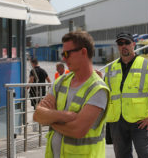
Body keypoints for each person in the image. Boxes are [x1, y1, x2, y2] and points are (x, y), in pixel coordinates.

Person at [33, 30, 110, 158]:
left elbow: (78, 130)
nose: (63, 58)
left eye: (67, 53)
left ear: (83, 52)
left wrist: (50, 118)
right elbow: (37, 115)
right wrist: (65, 116)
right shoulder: (61, 81)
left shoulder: (98, 89)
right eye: (63, 54)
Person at [104, 32, 148, 158]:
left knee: (146, 154)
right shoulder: (110, 68)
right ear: (118, 46)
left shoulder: (147, 65)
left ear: (133, 44)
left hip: (140, 121)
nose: (123, 46)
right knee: (121, 155)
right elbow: (106, 92)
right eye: (120, 43)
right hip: (117, 121)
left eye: (127, 43)